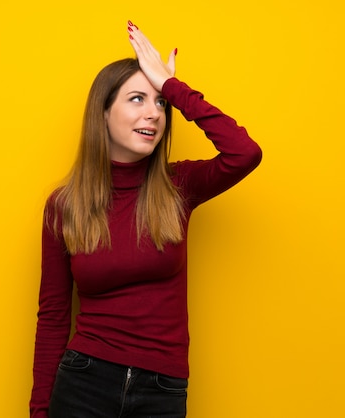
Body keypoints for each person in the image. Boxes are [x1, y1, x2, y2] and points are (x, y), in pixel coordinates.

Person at [30, 21, 262, 418]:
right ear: (103, 114)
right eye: (137, 99)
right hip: (83, 380)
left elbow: (245, 153)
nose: (154, 114)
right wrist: (38, 412)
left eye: (160, 104)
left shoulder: (178, 186)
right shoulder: (64, 206)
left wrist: (173, 87)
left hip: (162, 388)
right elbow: (52, 317)